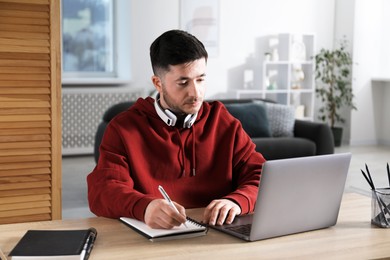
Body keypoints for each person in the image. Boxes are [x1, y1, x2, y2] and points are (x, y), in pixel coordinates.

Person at [87, 29, 266, 229]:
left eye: (200, 79)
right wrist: (144, 207)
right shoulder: (123, 128)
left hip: (220, 234)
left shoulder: (223, 121)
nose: (196, 93)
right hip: (155, 239)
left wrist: (238, 201)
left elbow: (262, 175)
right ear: (158, 83)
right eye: (183, 82)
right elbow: (103, 190)